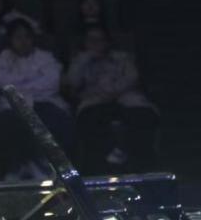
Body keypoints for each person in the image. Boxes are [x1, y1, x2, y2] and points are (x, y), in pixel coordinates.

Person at [64, 25, 157, 172]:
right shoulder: (80, 59)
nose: (96, 44)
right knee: (90, 120)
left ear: (108, 42)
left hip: (125, 97)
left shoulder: (122, 57)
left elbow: (132, 77)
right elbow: (72, 82)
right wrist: (84, 60)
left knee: (143, 115)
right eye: (92, 40)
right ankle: (102, 165)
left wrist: (113, 91)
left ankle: (140, 165)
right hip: (94, 100)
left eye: (100, 40)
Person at [0, 18, 72, 177]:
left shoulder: (45, 57)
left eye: (27, 36)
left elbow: (52, 83)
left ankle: (46, 167)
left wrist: (20, 83)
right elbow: (4, 84)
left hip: (45, 101)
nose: (23, 41)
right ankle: (17, 169)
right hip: (11, 105)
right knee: (10, 123)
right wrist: (34, 80)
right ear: (10, 40)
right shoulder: (2, 59)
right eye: (18, 37)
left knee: (55, 120)